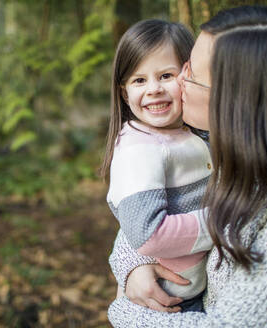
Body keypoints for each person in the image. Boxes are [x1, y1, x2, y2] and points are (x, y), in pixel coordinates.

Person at [107, 5, 267, 327]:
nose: (176, 82)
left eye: (189, 73)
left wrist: (122, 311)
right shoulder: (232, 154)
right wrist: (132, 265)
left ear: (237, 100)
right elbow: (147, 218)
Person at [101, 19, 214, 311]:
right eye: (139, 80)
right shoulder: (139, 148)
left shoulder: (192, 132)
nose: (153, 89)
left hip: (196, 287)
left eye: (166, 75)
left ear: (188, 76)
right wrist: (221, 222)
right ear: (125, 93)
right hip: (167, 299)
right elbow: (148, 232)